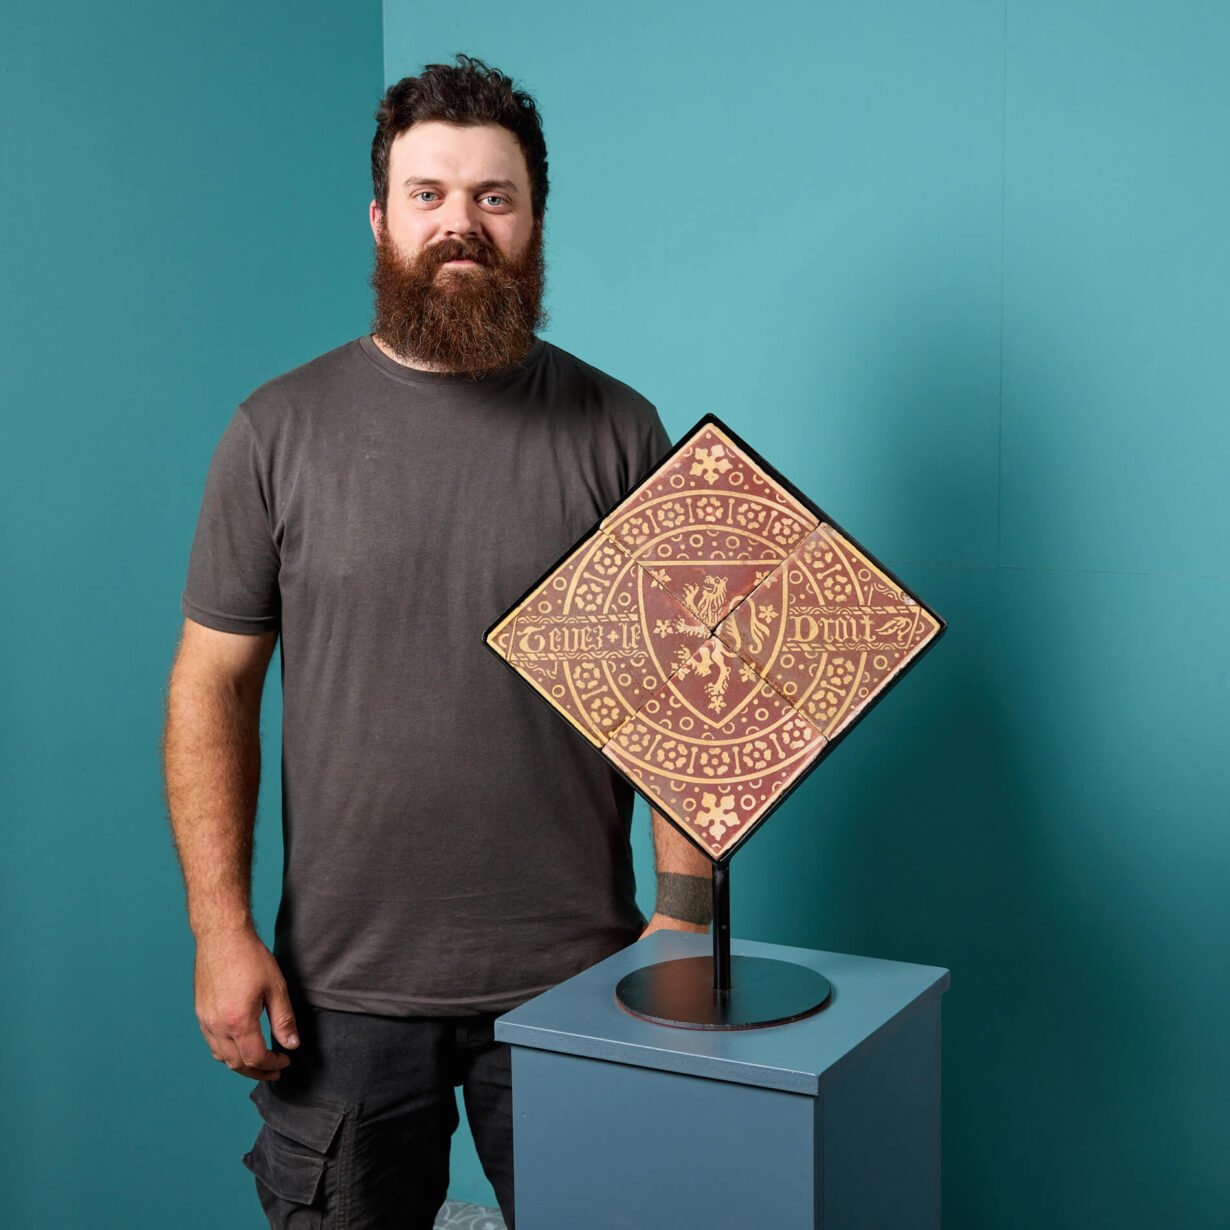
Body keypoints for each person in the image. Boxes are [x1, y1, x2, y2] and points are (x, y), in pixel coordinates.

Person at [162, 54, 714, 1230]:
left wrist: (685, 920)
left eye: (493, 197)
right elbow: (214, 685)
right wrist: (221, 929)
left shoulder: (621, 432)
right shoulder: (276, 432)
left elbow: (681, 694)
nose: (460, 222)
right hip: (342, 992)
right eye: (429, 194)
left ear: (534, 221)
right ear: (381, 219)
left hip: (581, 981)